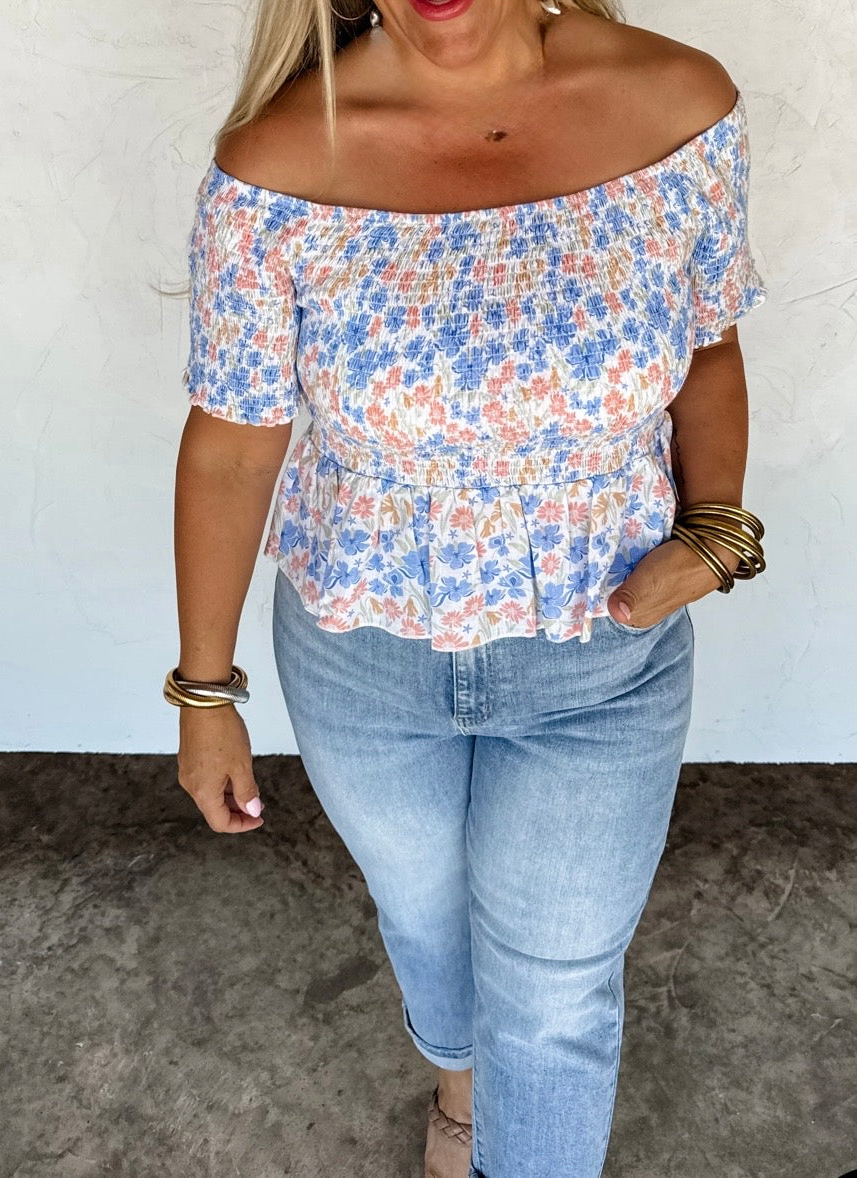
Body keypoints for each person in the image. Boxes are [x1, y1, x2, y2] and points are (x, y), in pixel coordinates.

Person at [165, 0, 769, 1174]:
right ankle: (458, 1079)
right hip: (360, 660)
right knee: (426, 919)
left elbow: (709, 348)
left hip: (600, 659)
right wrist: (203, 694)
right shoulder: (274, 167)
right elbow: (234, 440)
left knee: (552, 996)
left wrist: (714, 531)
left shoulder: (676, 110)